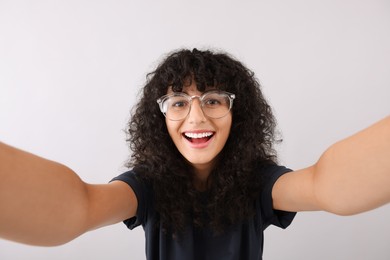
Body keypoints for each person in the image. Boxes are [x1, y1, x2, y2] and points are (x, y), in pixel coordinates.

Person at [0, 48, 389, 260]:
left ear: (238, 114)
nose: (197, 116)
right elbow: (81, 206)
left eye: (213, 100)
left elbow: (325, 185)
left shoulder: (260, 183)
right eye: (178, 103)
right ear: (162, 118)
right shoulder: (146, 186)